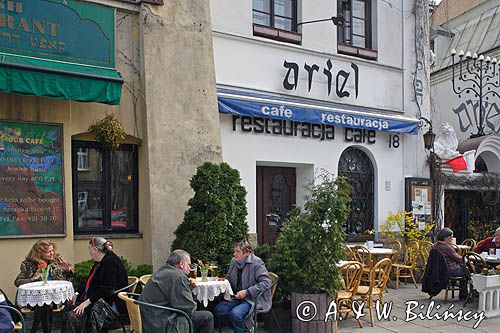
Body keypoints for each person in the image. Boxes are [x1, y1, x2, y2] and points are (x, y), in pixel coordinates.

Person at [139, 249, 213, 333]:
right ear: (181, 264)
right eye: (188, 265)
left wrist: (189, 288)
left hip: (150, 320)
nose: (189, 269)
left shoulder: (162, 271)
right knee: (207, 317)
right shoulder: (178, 276)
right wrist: (192, 294)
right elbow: (188, 308)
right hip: (162, 323)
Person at [68, 237, 128, 332]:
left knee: (72, 315)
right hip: (96, 301)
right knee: (67, 310)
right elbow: (88, 282)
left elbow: (107, 289)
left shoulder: (110, 262)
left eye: (89, 249)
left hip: (110, 307)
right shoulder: (100, 261)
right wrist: (76, 294)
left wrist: (86, 302)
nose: (89, 252)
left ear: (95, 250)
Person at [14, 240, 73, 333]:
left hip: (56, 297)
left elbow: (67, 280)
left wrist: (67, 270)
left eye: (52, 250)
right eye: (49, 252)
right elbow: (17, 282)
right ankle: (46, 330)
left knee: (45, 304)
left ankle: (35, 329)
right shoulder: (29, 264)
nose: (52, 253)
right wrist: (33, 278)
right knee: (44, 304)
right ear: (39, 253)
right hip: (35, 299)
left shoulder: (57, 260)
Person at [214, 240, 271, 333]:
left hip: (252, 299)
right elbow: (228, 277)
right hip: (236, 297)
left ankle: (242, 330)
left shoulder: (256, 262)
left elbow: (266, 282)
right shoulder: (234, 261)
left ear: (247, 253)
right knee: (219, 310)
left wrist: (247, 292)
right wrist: (221, 282)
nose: (234, 254)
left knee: (235, 314)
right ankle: (245, 329)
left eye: (237, 251)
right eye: (234, 251)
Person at [433, 228, 467, 299]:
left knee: (465, 268)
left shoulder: (435, 245)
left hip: (440, 270)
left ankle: (463, 292)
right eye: (451, 238)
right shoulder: (447, 247)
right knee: (467, 270)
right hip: (450, 270)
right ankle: (464, 293)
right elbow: (458, 258)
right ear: (447, 238)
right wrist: (466, 259)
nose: (451, 239)